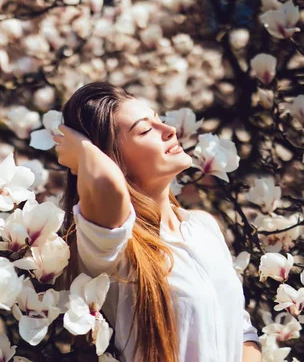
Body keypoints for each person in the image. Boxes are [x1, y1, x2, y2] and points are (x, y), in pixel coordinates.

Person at [53, 82, 262, 362]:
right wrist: (83, 152)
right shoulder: (111, 250)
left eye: (159, 119)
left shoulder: (201, 226)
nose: (169, 130)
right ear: (113, 159)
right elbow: (109, 186)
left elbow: (242, 331)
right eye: (146, 129)